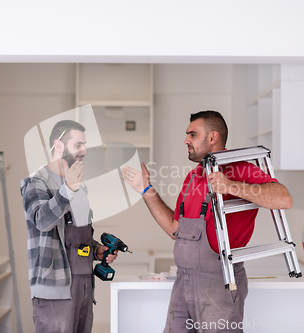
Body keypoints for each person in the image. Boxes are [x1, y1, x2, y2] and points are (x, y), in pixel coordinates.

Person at [121, 110, 293, 333]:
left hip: (219, 285)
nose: (186, 140)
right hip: (183, 284)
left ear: (212, 138)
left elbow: (284, 198)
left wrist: (230, 186)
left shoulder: (239, 168)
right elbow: (175, 230)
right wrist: (145, 189)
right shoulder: (193, 176)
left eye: (192, 134)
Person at [20, 119, 118, 333]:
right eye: (78, 145)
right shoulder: (37, 182)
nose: (85, 151)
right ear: (59, 145)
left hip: (83, 286)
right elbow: (41, 221)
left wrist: (96, 251)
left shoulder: (79, 188)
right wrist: (67, 192)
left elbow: (75, 236)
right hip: (54, 289)